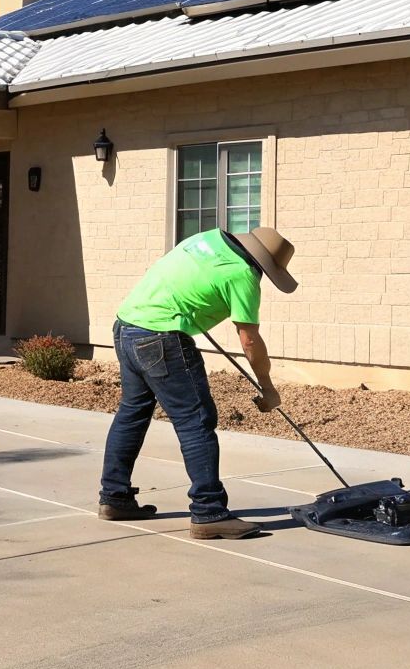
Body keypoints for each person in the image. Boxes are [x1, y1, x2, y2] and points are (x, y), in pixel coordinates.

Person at [100, 227, 297, 539]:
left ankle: (114, 497)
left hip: (127, 327)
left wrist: (189, 310)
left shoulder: (206, 240)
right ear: (265, 266)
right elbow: (249, 341)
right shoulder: (243, 275)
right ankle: (209, 512)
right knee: (196, 422)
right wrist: (268, 388)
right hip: (160, 337)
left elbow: (178, 276)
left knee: (132, 415)